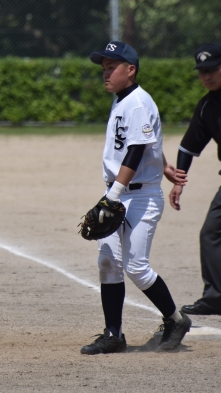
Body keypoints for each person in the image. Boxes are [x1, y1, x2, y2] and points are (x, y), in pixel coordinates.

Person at [80, 41, 191, 355]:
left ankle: (176, 320)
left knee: (136, 267)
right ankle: (113, 335)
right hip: (118, 192)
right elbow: (145, 139)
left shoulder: (138, 102)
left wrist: (112, 196)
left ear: (130, 70)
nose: (106, 73)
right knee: (108, 262)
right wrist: (164, 164)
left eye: (111, 67)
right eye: (103, 68)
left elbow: (137, 149)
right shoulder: (123, 100)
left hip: (139, 196)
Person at [169, 43, 221, 316]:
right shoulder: (207, 107)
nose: (207, 76)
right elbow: (188, 146)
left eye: (213, 69)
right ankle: (215, 298)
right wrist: (179, 181)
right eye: (202, 72)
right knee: (210, 233)